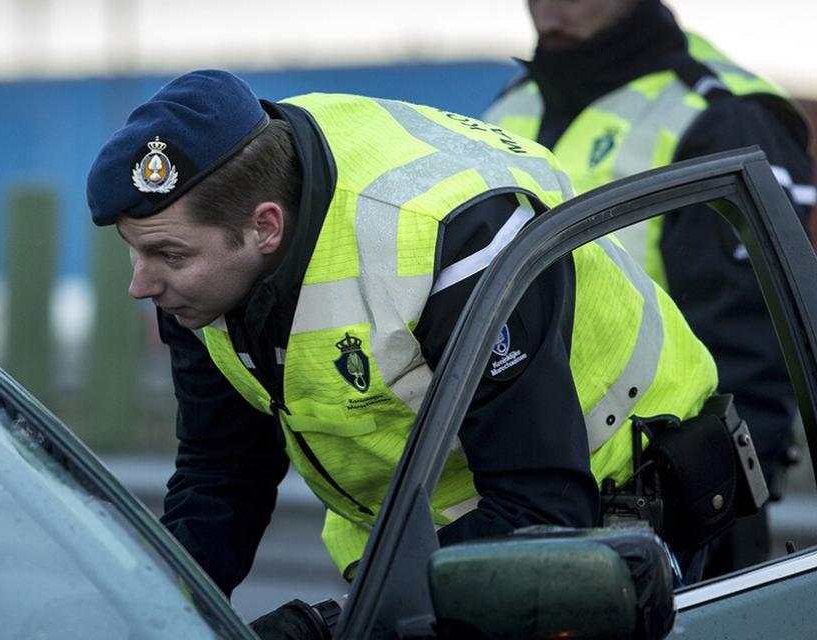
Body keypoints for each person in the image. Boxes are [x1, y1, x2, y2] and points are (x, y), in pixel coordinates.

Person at [86, 69, 717, 635]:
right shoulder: (206, 247)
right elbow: (221, 472)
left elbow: (539, 505)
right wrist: (152, 613)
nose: (140, 284)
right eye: (134, 250)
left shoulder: (445, 239)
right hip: (424, 551)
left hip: (626, 518)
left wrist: (332, 624)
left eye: (168, 255)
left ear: (265, 227)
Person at [484, 0, 814, 575]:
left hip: (664, 520)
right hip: (515, 493)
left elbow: (758, 359)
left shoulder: (721, 115)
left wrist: (691, 523)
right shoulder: (509, 107)